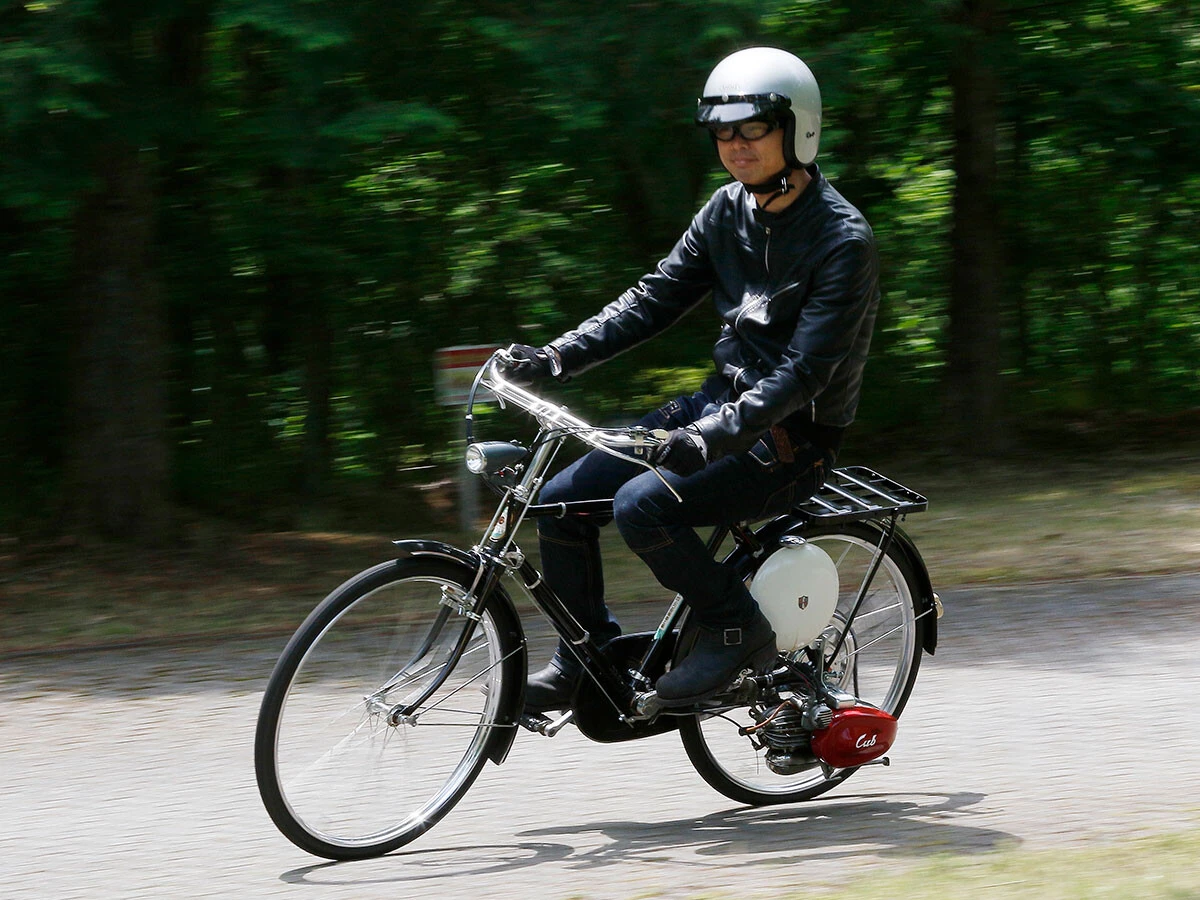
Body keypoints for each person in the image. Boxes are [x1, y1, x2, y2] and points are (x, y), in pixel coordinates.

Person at [498, 46, 880, 711]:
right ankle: (583, 660)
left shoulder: (841, 240)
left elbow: (806, 372)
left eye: (753, 129)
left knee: (641, 505)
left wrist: (711, 438)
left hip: (793, 439)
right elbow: (652, 300)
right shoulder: (725, 210)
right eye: (722, 133)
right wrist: (556, 357)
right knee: (559, 501)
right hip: (718, 408)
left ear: (797, 129)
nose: (735, 146)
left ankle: (735, 627)